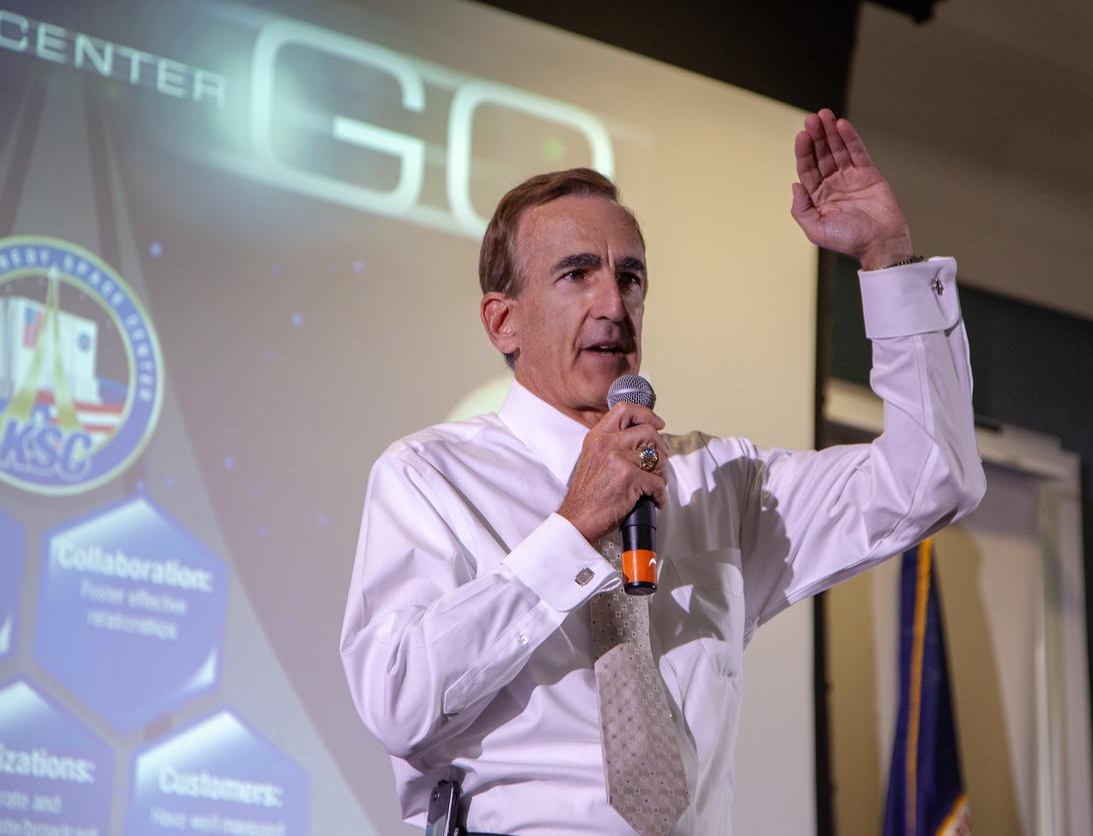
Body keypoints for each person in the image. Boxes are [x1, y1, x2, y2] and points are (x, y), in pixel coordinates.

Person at [339, 109, 985, 835]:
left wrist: (886, 260)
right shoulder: (429, 477)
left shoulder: (721, 481)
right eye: (576, 274)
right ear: (503, 322)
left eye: (631, 276)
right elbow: (396, 697)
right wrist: (573, 530)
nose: (614, 304)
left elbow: (933, 476)